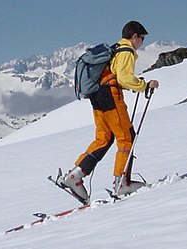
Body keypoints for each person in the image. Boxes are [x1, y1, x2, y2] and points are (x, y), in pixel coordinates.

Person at [59, 21, 159, 203]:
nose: (142, 43)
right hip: (111, 96)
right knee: (126, 136)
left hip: (97, 96)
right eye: (142, 38)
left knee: (103, 138)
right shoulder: (126, 51)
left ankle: (75, 176)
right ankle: (122, 183)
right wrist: (144, 85)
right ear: (135, 36)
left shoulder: (115, 48)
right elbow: (123, 77)